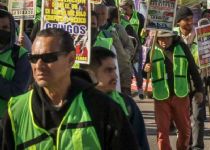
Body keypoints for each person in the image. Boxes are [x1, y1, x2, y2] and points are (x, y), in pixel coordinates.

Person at [2, 28, 138, 149]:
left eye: (49, 58)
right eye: (33, 58)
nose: (39, 65)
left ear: (71, 59)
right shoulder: (16, 110)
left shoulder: (102, 108)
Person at [143, 31, 204, 150]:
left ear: (172, 37)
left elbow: (193, 69)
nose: (163, 41)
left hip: (180, 95)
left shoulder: (182, 48)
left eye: (166, 38)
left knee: (184, 129)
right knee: (162, 131)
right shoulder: (152, 51)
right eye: (161, 38)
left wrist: (199, 90)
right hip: (161, 96)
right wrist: (146, 69)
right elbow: (145, 74)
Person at [81, 47, 150, 150]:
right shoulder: (76, 105)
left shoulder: (126, 104)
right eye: (108, 70)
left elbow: (141, 143)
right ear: (90, 74)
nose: (115, 76)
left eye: (114, 69)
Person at [173, 7, 206, 149]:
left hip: (197, 80)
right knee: (182, 118)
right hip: (178, 82)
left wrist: (209, 75)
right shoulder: (171, 36)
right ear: (178, 22)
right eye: (186, 19)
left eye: (191, 19)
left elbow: (208, 56)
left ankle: (197, 146)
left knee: (198, 117)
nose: (190, 22)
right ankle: (186, 144)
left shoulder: (201, 35)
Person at [94, 4, 134, 95]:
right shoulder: (92, 32)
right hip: (102, 79)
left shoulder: (117, 29)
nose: (100, 16)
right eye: (97, 13)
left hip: (123, 75)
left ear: (107, 15)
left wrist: (125, 56)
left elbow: (130, 46)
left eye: (103, 13)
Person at [0, 10, 31, 119]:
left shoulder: (20, 56)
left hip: (5, 121)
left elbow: (18, 93)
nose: (1, 31)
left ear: (12, 30)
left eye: (5, 28)